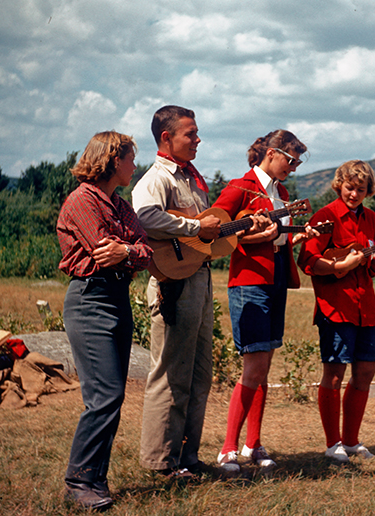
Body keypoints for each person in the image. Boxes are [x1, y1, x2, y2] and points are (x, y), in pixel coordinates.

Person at [131, 105, 264, 479]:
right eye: (190, 133)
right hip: (173, 285)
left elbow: (206, 235)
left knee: (199, 375)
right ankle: (162, 462)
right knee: (171, 374)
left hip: (198, 279)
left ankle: (187, 457)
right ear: (166, 138)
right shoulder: (157, 178)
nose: (198, 139)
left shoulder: (191, 178)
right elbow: (144, 216)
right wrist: (193, 227)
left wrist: (240, 227)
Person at [212, 129, 318, 473]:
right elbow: (214, 230)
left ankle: (253, 444)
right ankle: (227, 449)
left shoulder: (281, 193)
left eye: (297, 163)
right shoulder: (239, 187)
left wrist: (295, 236)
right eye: (291, 160)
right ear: (271, 153)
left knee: (264, 366)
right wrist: (251, 235)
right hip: (249, 282)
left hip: (276, 279)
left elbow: (276, 237)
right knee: (254, 367)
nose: (293, 168)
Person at [57, 131, 153, 510]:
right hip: (90, 299)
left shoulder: (119, 204)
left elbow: (144, 251)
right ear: (114, 160)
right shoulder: (82, 200)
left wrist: (126, 249)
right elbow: (102, 249)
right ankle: (78, 482)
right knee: (104, 396)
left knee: (112, 396)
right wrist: (129, 250)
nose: (135, 166)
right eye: (131, 158)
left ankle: (95, 479)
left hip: (116, 298)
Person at [297, 160, 375, 462]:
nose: (354, 194)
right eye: (350, 187)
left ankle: (352, 441)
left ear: (369, 191)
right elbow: (308, 261)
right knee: (334, 374)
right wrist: (341, 265)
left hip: (365, 307)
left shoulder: (371, 218)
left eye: (361, 189)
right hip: (336, 307)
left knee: (365, 371)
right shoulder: (325, 217)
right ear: (339, 184)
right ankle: (333, 444)